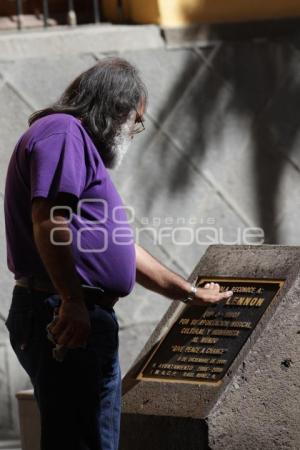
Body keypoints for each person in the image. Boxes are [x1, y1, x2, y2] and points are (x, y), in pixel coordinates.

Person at [3, 57, 233, 450]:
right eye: (136, 120)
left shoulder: (74, 144)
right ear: (116, 109)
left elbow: (120, 248)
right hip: (64, 311)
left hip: (76, 312)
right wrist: (73, 301)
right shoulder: (62, 133)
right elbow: (50, 222)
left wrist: (189, 293)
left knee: (96, 439)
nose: (134, 130)